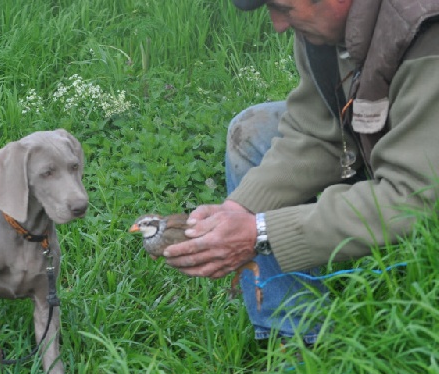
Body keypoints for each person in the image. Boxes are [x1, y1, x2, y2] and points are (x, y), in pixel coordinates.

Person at [163, 0, 439, 347]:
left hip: (424, 172)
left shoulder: (426, 29)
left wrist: (261, 233)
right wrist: (242, 209)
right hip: (401, 144)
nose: (278, 24)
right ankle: (296, 339)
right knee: (252, 133)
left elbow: (412, 197)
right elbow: (317, 131)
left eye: (284, 8)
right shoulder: (326, 27)